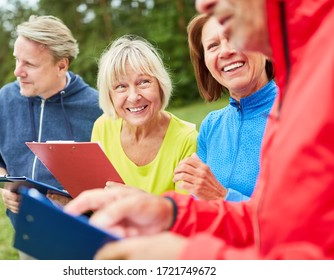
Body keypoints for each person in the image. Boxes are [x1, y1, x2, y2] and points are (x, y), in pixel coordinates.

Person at [64, 0, 334, 259]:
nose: (202, 4)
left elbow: (305, 249)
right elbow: (263, 222)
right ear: (205, 62)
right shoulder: (212, 126)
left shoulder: (312, 94)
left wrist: (215, 205)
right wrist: (170, 212)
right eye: (213, 45)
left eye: (230, 35)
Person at [0, 15, 102, 256]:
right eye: (17, 60)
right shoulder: (5, 99)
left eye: (29, 64)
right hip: (30, 235)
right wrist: (4, 188)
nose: (17, 71)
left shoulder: (96, 107)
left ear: (62, 65)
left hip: (85, 237)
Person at [173, 14, 277, 201]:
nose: (225, 51)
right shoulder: (211, 126)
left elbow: (302, 219)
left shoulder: (296, 115)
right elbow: (198, 207)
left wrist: (222, 197)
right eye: (213, 46)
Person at [91, 35, 198, 194]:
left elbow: (186, 214)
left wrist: (133, 199)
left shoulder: (187, 139)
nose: (134, 97)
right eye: (121, 86)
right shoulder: (103, 127)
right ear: (109, 95)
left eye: (143, 82)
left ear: (160, 85)